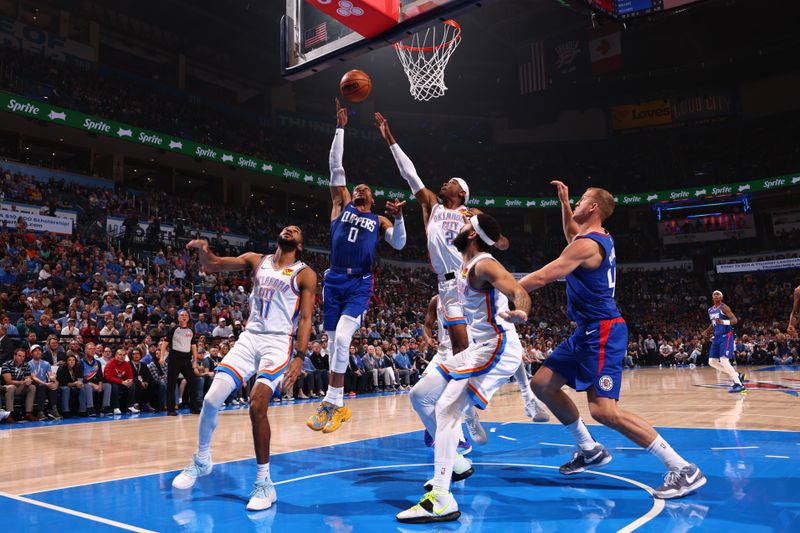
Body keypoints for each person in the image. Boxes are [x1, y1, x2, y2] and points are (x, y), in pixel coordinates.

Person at [519, 181, 705, 500]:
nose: (576, 202)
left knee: (604, 411)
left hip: (603, 329)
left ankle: (683, 469)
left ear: (594, 208)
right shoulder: (594, 239)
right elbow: (571, 236)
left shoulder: (586, 245)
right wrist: (563, 203)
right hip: (586, 331)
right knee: (542, 384)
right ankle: (589, 449)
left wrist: (494, 291)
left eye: (580, 200)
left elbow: (540, 278)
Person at [376, 111, 548, 426]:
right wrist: (389, 138)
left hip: (476, 282)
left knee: (503, 334)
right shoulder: (432, 206)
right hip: (448, 287)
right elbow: (409, 173)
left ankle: (528, 399)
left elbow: (503, 242)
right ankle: (466, 411)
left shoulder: (473, 214)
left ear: (462, 193)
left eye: (451, 181)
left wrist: (494, 238)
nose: (445, 182)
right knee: (460, 347)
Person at [397, 214, 531, 523]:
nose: (460, 227)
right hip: (476, 348)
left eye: (465, 225)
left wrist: (521, 310)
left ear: (473, 235)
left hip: (496, 345)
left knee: (446, 409)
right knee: (421, 395)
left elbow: (517, 290)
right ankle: (454, 461)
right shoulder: (462, 263)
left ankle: (442, 497)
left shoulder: (484, 264)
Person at [172, 225, 316, 512]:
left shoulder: (305, 273)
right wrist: (204, 251)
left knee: (257, 404)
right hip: (249, 338)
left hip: (277, 343)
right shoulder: (256, 259)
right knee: (211, 399)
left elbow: (306, 318)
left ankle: (264, 483)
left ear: (299, 245)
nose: (290, 229)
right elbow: (213, 265)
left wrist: (299, 357)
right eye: (287, 227)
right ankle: (202, 460)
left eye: (297, 230)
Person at [306, 99, 406, 434]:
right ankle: (338, 405)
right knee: (335, 343)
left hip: (359, 283)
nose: (359, 187)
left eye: (366, 188)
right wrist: (340, 127)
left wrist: (399, 217)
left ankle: (330, 401)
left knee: (345, 337)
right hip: (333, 280)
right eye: (357, 186)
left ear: (373, 198)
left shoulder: (378, 219)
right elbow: (336, 167)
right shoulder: (342, 204)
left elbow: (400, 244)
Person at [703, 291, 745, 393]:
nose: (716, 295)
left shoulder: (724, 307)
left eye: (718, 294)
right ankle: (736, 375)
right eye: (714, 294)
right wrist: (706, 331)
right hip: (716, 337)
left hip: (726, 336)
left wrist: (723, 322)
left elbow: (735, 320)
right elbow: (713, 324)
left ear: (721, 297)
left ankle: (739, 384)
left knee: (724, 360)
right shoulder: (710, 310)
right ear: (712, 297)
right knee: (712, 362)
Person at [161, 310, 200, 415]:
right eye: (182, 315)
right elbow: (164, 344)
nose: (184, 316)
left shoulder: (191, 331)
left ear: (188, 318)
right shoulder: (173, 329)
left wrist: (195, 361)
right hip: (175, 357)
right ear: (178, 318)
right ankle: (171, 409)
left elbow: (194, 347)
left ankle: (194, 408)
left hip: (186, 358)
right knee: (172, 383)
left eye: (186, 315)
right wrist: (162, 357)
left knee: (192, 381)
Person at [2, 348, 36, 422]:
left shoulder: (26, 365)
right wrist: (22, 382)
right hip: (5, 388)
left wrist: (28, 381)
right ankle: (8, 414)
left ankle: (28, 413)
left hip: (18, 387)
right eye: (19, 356)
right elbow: (8, 381)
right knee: (11, 387)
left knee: (32, 387)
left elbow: (27, 378)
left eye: (23, 356)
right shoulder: (6, 365)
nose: (21, 358)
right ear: (14, 356)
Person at [28, 344, 61, 420]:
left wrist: (55, 382)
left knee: (53, 386)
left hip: (44, 384)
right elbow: (34, 377)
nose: (38, 352)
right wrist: (45, 384)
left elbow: (50, 375)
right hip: (34, 384)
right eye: (35, 351)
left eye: (39, 350)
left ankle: (53, 409)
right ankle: (40, 411)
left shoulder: (46, 363)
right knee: (42, 386)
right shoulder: (29, 364)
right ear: (31, 353)